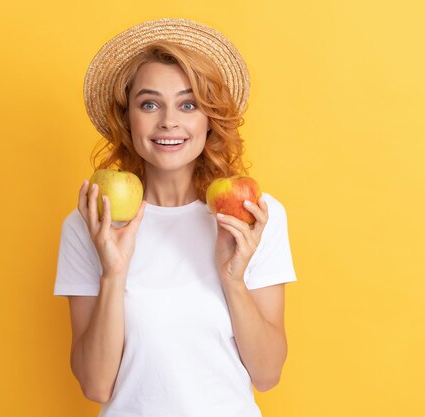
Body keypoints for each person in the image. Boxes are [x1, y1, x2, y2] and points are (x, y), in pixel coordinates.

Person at [54, 18, 297, 417]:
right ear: (126, 118)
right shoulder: (91, 224)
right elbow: (96, 385)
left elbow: (267, 374)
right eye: (149, 104)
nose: (169, 121)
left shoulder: (254, 217)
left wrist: (233, 278)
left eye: (188, 104)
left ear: (209, 118)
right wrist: (113, 273)